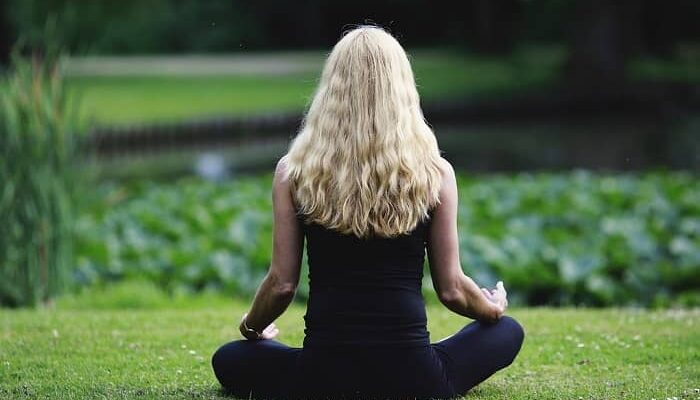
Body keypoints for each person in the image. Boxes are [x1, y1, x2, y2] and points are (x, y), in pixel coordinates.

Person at [211, 25, 524, 400]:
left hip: (321, 378)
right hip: (416, 379)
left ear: (331, 90)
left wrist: (251, 328)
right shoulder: (435, 173)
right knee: (508, 331)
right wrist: (490, 310)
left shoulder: (294, 172)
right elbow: (453, 289)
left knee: (229, 358)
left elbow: (281, 284)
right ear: (402, 89)